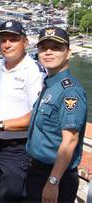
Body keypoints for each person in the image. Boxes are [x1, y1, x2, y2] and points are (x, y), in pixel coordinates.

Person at [0, 20, 45, 202]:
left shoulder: (34, 71)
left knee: (11, 197)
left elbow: (38, 115)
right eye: (3, 40)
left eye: (13, 39)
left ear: (25, 42)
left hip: (18, 150)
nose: (7, 44)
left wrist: (2, 125)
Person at [26, 27, 87, 203]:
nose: (49, 52)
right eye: (44, 48)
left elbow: (70, 140)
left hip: (55, 176)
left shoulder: (70, 91)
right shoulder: (50, 85)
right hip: (37, 171)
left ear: (68, 53)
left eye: (56, 47)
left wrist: (53, 181)